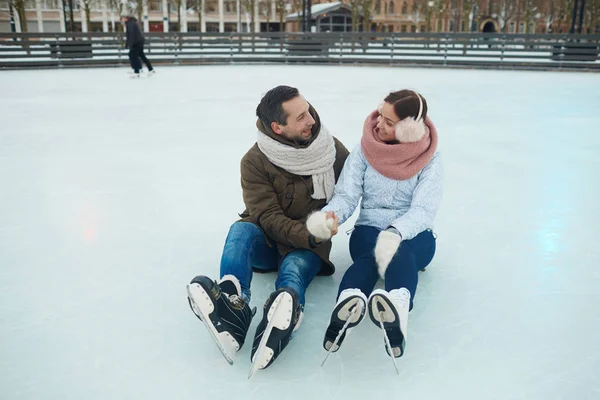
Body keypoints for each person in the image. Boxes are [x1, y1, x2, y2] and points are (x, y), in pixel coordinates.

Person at [186, 85, 349, 376]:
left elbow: (356, 184)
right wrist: (309, 234)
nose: (311, 119)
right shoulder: (255, 161)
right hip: (273, 239)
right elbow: (268, 217)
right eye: (300, 117)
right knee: (240, 232)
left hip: (306, 247)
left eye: (308, 110)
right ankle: (232, 302)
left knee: (295, 269)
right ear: (278, 127)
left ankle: (285, 309)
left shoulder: (330, 149)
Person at [306, 89, 443, 365]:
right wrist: (330, 217)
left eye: (389, 122)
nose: (379, 123)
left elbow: (423, 211)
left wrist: (395, 232)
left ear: (407, 129)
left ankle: (397, 308)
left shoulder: (430, 158)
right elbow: (346, 195)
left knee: (397, 249)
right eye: (380, 114)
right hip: (368, 229)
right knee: (372, 253)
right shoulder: (365, 149)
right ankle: (349, 302)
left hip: (415, 236)